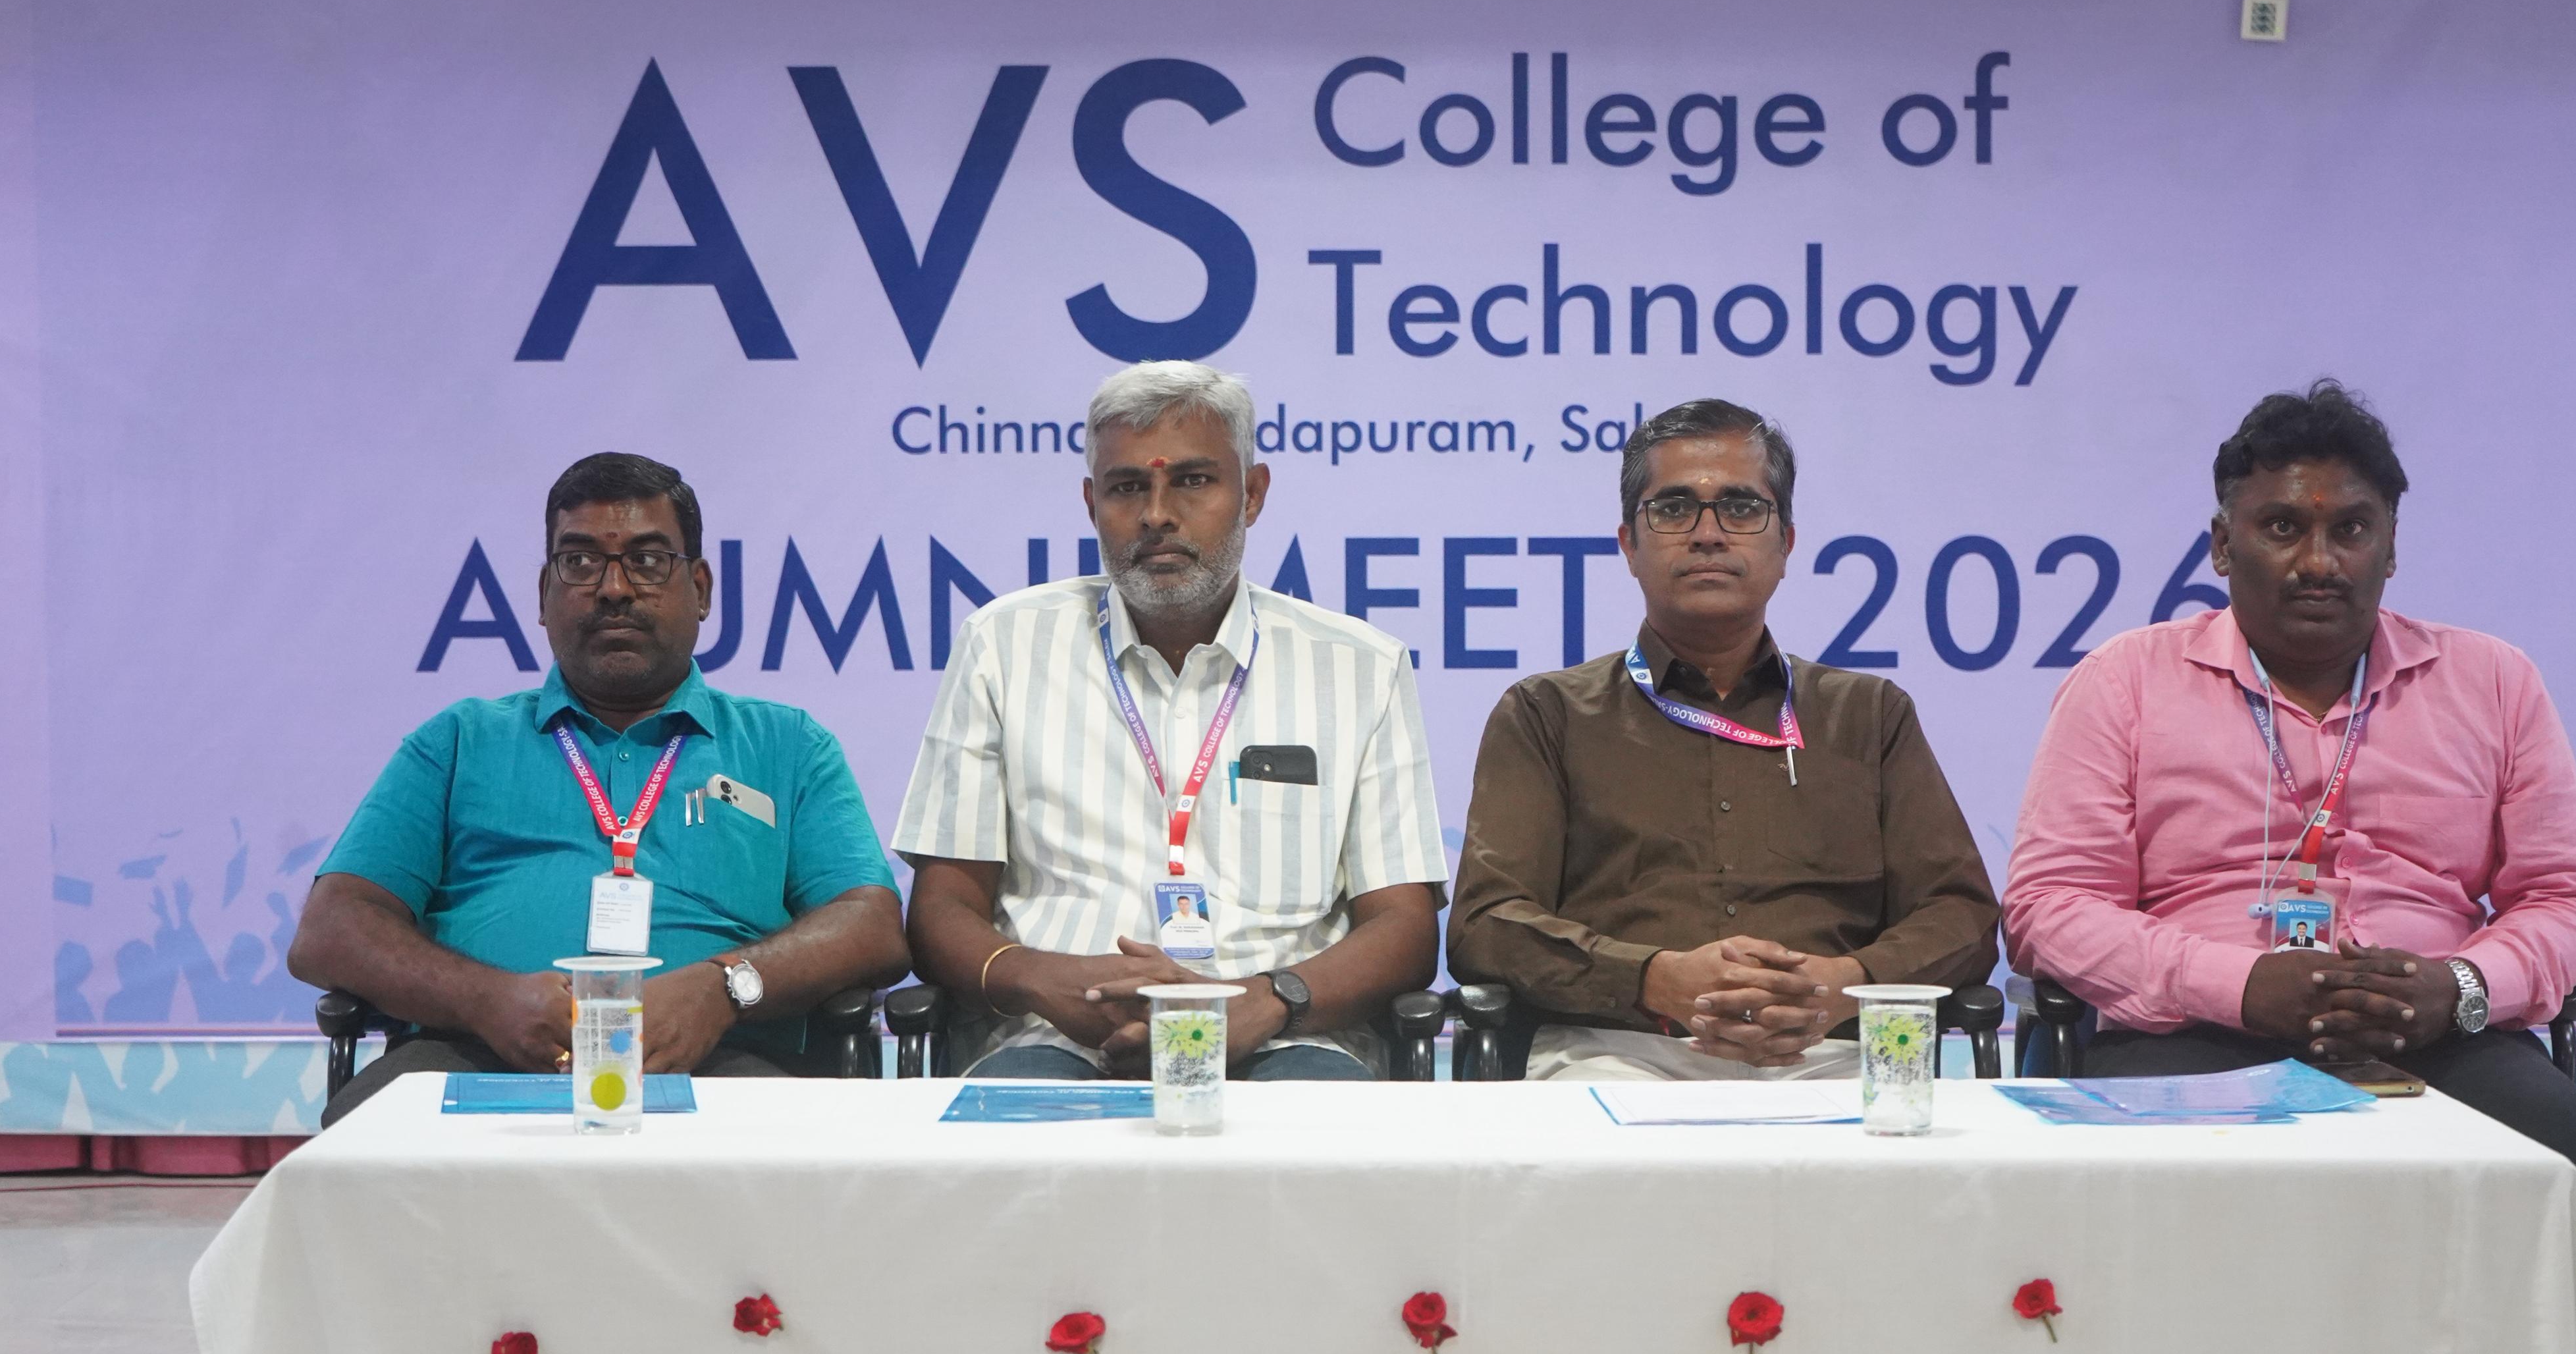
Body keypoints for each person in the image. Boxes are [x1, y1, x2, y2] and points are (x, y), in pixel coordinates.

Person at [2002, 382, 2576, 1280]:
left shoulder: (2494, 682)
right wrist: (2238, 983)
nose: (2319, 561)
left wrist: (2460, 985)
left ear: (2391, 546)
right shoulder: (2124, 682)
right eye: (2281, 527)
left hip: (2437, 1030)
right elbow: (2047, 906)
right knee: (2152, 1213)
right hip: (2195, 1031)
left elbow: (2575, 901)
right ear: (2221, 544)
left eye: (2350, 529)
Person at [294, 453, 908, 1122]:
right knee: (372, 1146)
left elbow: (872, 924)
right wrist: (487, 1001)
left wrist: (724, 988)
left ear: (701, 588)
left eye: (647, 560)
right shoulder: (459, 742)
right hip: (471, 1055)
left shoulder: (787, 746)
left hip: (724, 1062)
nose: (614, 588)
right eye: (581, 561)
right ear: (543, 594)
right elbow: (332, 927)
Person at [895, 361, 1447, 1080]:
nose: (1156, 513)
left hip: (1287, 1036)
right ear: (1091, 502)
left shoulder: (1358, 666)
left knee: (1322, 1135)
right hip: (1054, 1034)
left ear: (1252, 494)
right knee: (1008, 1134)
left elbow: (1404, 927)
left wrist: (1266, 1001)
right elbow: (942, 907)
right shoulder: (1001, 646)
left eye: (1192, 480)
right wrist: (1047, 980)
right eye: (1127, 487)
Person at [1446, 398, 1999, 1079]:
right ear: (1628, 545)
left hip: (1836, 1047)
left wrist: (1843, 985)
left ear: (1785, 544)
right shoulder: (1547, 714)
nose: (1707, 533)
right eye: (1673, 508)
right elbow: (1487, 924)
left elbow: (1961, 914)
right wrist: (1654, 978)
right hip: (1620, 1048)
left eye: (1740, 508)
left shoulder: (1868, 714)